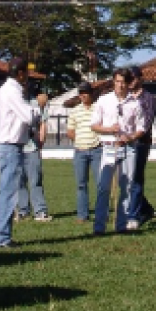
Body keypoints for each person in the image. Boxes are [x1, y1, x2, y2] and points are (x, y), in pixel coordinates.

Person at [91, 67, 144, 235]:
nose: (120, 85)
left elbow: (141, 128)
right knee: (103, 187)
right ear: (113, 82)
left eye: (123, 82)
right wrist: (109, 130)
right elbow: (94, 125)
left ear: (128, 83)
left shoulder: (135, 103)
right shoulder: (103, 100)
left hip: (128, 148)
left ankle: (121, 224)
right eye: (117, 81)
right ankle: (99, 226)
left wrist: (130, 137)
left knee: (126, 187)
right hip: (108, 146)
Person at [0, 58, 36, 248]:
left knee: (8, 190)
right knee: (8, 191)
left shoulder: (9, 90)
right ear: (20, 73)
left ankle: (3, 235)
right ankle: (2, 237)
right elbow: (28, 116)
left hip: (8, 144)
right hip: (9, 145)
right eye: (26, 71)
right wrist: (39, 106)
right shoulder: (12, 92)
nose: (28, 75)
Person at [125, 66, 156, 230]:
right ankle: (146, 208)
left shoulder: (148, 98)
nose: (130, 81)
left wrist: (133, 136)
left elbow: (147, 123)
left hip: (140, 143)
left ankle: (134, 215)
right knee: (125, 180)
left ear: (140, 79)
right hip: (124, 142)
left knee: (136, 178)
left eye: (133, 78)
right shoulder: (124, 98)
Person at [66, 82, 101, 223]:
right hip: (80, 151)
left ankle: (101, 214)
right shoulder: (74, 111)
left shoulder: (98, 109)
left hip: (97, 150)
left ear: (91, 93)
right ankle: (82, 215)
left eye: (85, 92)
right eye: (81, 93)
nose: (83, 95)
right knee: (81, 184)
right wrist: (80, 141)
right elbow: (70, 131)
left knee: (100, 183)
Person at [15, 92, 52, 222]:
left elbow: (43, 122)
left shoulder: (37, 102)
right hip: (18, 146)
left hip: (32, 147)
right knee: (19, 181)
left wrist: (41, 140)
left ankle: (40, 211)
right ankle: (23, 210)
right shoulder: (15, 101)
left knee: (35, 180)